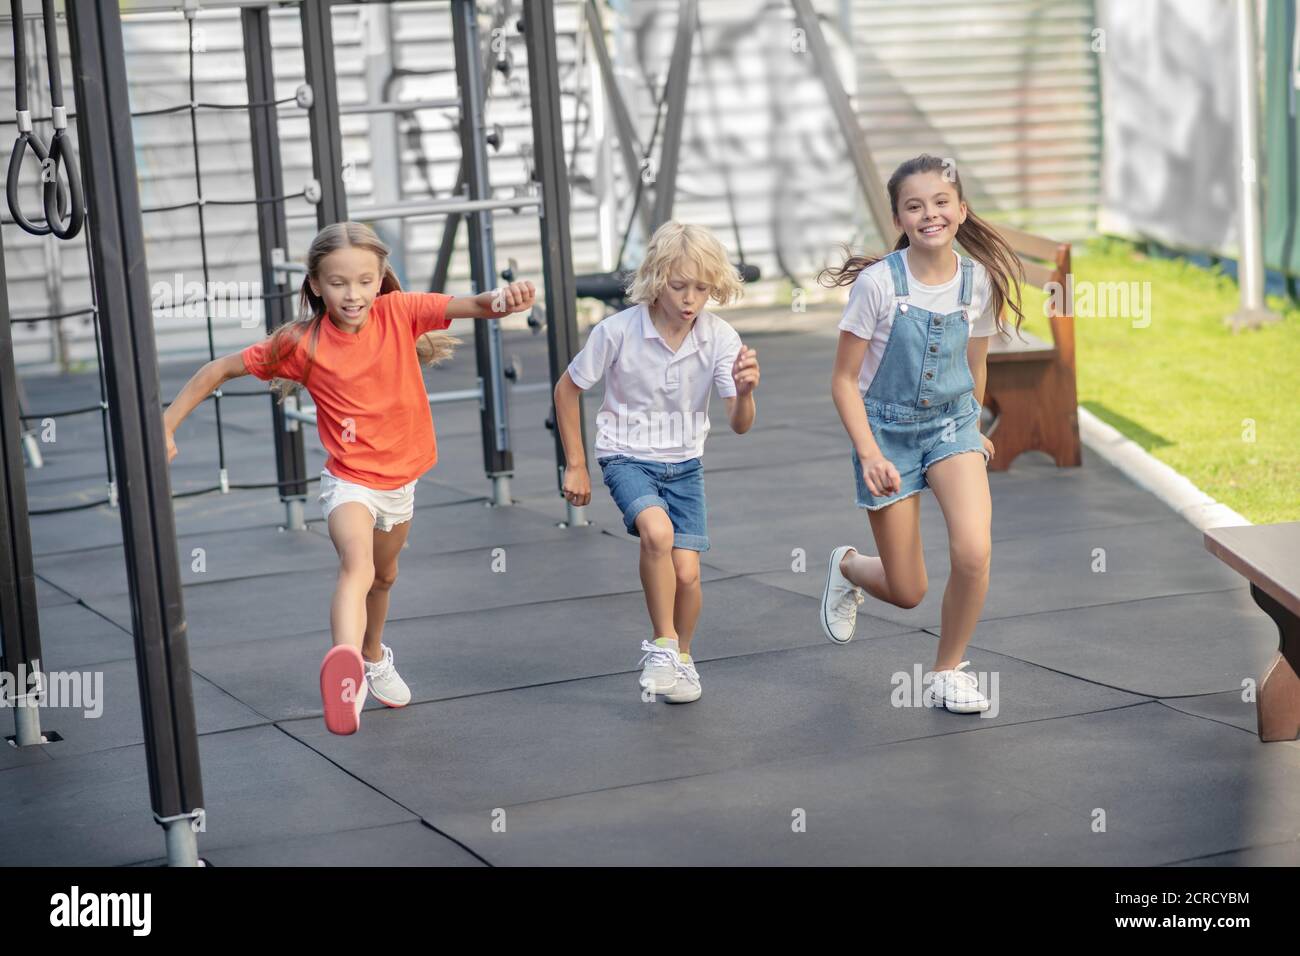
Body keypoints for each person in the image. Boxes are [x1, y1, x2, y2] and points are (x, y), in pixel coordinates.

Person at [163, 220, 536, 734]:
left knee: (385, 577)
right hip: (349, 482)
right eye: (338, 282)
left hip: (400, 482)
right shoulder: (302, 343)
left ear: (380, 276)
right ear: (315, 284)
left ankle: (372, 653)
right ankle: (345, 670)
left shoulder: (400, 312)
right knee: (357, 567)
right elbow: (219, 370)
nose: (352, 294)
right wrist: (166, 424)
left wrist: (507, 299)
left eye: (364, 280)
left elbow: (475, 305)